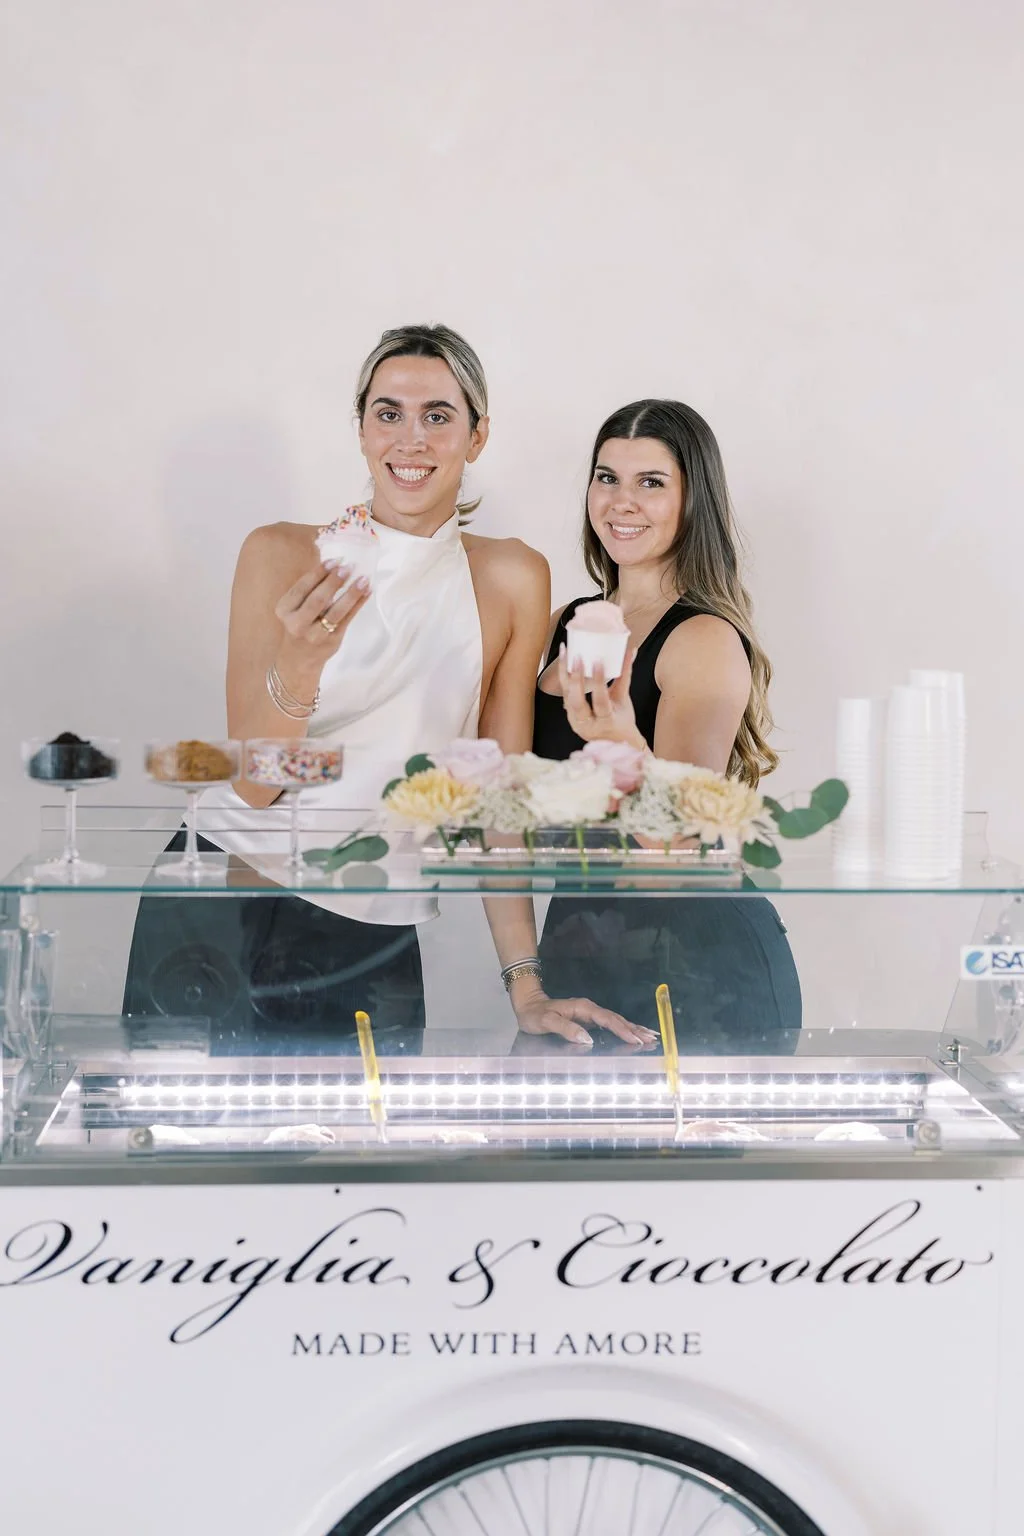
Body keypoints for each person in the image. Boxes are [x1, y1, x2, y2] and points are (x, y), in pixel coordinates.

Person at [123, 324, 650, 1054]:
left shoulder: (511, 577)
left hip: (376, 933)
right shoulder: (281, 554)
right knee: (179, 1156)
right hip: (227, 901)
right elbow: (252, 787)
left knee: (366, 1160)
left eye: (438, 415)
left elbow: (497, 799)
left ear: (477, 436)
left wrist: (525, 985)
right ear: (362, 430)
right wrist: (300, 670)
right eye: (388, 413)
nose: (412, 440)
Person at [531, 399, 801, 1052]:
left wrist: (620, 740)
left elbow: (680, 856)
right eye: (607, 478)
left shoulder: (702, 636)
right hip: (578, 943)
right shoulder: (566, 618)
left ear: (692, 500)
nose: (622, 503)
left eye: (651, 482)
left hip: (694, 964)